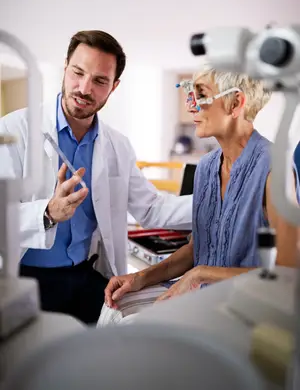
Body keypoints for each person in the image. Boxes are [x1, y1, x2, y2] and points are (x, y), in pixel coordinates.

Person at [0, 30, 192, 325]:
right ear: (65, 68)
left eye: (100, 81)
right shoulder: (15, 129)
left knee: (95, 362)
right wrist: (48, 213)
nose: (84, 88)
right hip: (27, 279)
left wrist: (219, 201)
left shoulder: (117, 145)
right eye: (78, 73)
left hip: (87, 278)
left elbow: (151, 208)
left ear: (113, 87)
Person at [99, 67, 298, 326]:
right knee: (116, 309)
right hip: (202, 298)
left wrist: (201, 274)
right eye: (189, 96)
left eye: (200, 95)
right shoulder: (205, 167)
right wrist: (142, 277)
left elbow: (285, 274)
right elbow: (197, 250)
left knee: (133, 330)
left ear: (236, 103)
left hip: (247, 310)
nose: (191, 107)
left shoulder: (275, 168)